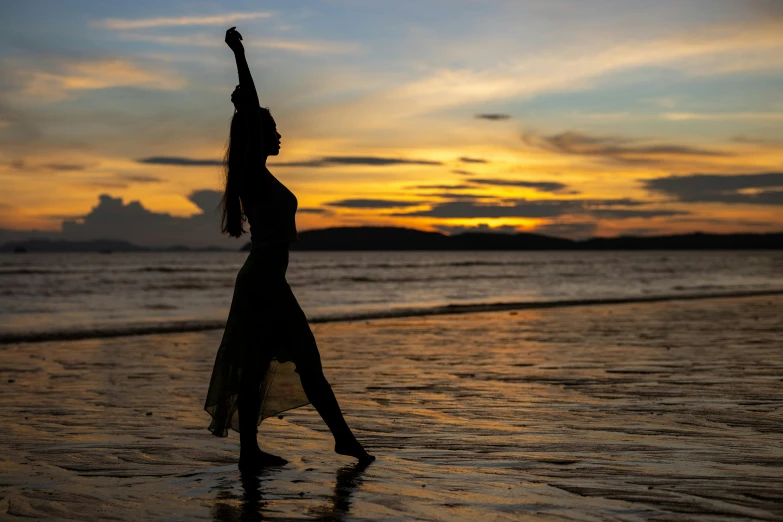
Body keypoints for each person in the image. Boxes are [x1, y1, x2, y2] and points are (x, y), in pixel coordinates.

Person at [204, 27, 374, 473]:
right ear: (258, 134)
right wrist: (239, 54)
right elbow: (254, 106)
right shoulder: (253, 174)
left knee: (260, 367)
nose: (281, 136)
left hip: (266, 280)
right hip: (263, 281)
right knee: (304, 361)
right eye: (273, 129)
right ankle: (342, 440)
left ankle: (251, 453)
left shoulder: (257, 176)